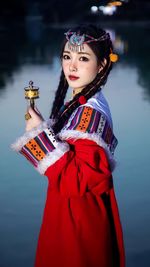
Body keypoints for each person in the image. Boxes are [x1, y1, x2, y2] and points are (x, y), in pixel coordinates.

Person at [12, 24, 125, 267]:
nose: (71, 66)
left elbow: (76, 181)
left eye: (83, 58)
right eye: (67, 56)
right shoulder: (79, 102)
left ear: (102, 65)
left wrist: (38, 136)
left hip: (79, 224)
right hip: (68, 212)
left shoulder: (90, 115)